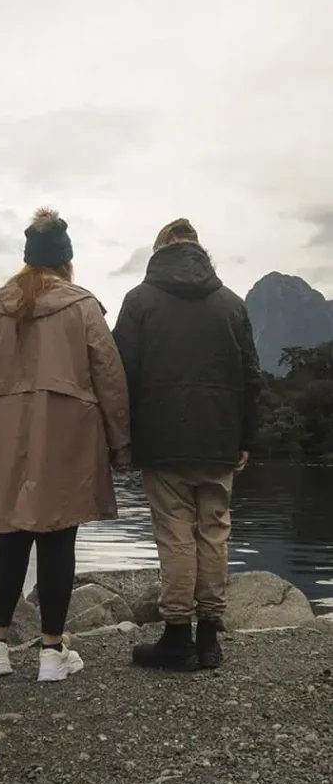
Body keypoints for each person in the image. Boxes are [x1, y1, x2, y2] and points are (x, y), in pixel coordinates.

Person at [0, 207, 131, 682]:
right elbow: (110, 379)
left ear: (27, 257)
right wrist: (121, 444)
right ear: (66, 259)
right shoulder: (83, 307)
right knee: (58, 538)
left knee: (8, 538)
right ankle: (52, 653)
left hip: (0, 434)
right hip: (66, 435)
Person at [112, 218, 261, 671]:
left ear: (158, 253)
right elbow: (251, 377)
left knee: (175, 533)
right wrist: (245, 438)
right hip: (219, 438)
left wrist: (122, 439)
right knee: (214, 529)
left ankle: (177, 638)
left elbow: (120, 376)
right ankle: (210, 639)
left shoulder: (139, 301)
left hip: (162, 441)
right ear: (201, 253)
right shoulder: (232, 305)